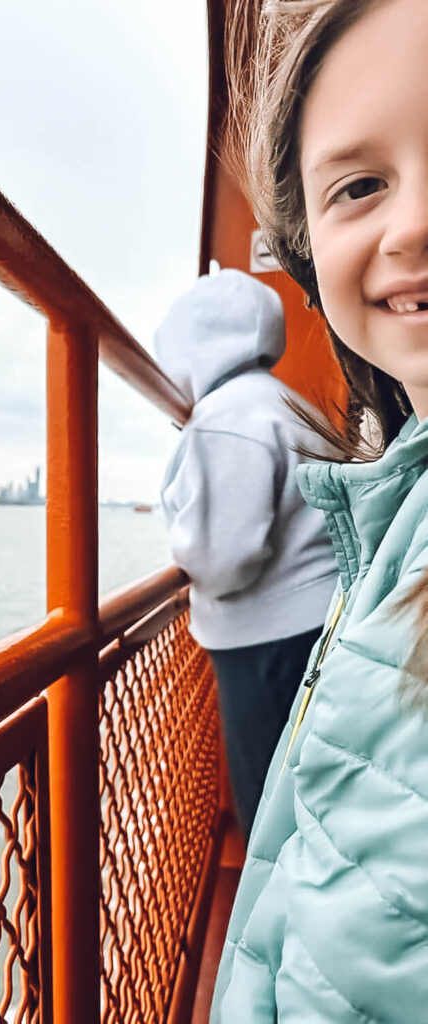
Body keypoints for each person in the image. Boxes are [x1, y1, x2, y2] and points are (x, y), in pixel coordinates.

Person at [211, 0, 428, 1020]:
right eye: (359, 184)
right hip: (317, 609)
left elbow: (219, 543)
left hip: (244, 625)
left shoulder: (219, 421)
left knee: (268, 785)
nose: (413, 221)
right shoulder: (357, 460)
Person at [155, 268, 337, 839]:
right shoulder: (285, 403)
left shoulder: (226, 419)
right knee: (310, 787)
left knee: (269, 798)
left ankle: (276, 918)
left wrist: (182, 536)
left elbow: (222, 559)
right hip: (319, 619)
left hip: (269, 637)